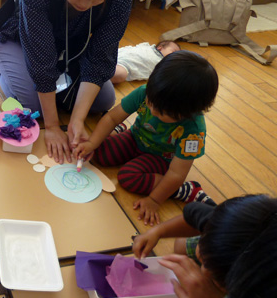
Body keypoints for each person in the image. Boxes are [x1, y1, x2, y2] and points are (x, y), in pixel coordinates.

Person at [0, 0, 133, 164]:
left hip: (69, 50)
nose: (85, 3)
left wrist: (77, 121)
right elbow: (41, 59)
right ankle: (4, 65)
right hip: (18, 41)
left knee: (104, 99)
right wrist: (53, 126)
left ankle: (61, 91)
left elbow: (99, 57)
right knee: (32, 104)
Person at [74, 51, 219, 226]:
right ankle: (121, 131)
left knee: (128, 177)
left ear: (188, 113)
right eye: (151, 103)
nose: (153, 111)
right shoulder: (146, 93)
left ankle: (185, 190)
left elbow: (177, 173)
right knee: (100, 152)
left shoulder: (194, 132)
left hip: (160, 158)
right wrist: (91, 143)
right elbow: (112, 118)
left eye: (163, 113)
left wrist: (155, 200)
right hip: (135, 137)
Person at [133, 194, 277, 298]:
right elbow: (191, 215)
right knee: (181, 244)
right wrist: (158, 231)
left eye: (216, 277)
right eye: (203, 261)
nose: (203, 272)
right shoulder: (229, 222)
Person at [111, 40, 181, 84]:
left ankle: (102, 75)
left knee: (120, 74)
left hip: (124, 65)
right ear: (160, 48)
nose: (173, 56)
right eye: (173, 52)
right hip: (122, 54)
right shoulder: (148, 48)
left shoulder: (163, 64)